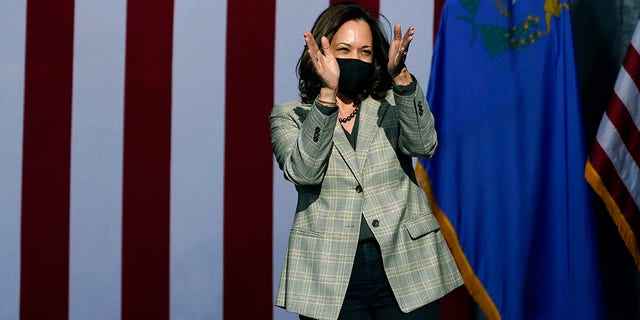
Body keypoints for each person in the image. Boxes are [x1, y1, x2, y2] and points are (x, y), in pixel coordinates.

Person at [269, 2, 463, 319]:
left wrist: (400, 77)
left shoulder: (391, 102)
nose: (355, 59)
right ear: (320, 51)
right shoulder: (291, 115)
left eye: (365, 52)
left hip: (405, 263)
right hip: (330, 274)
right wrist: (327, 97)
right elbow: (304, 172)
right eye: (344, 49)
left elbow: (425, 144)